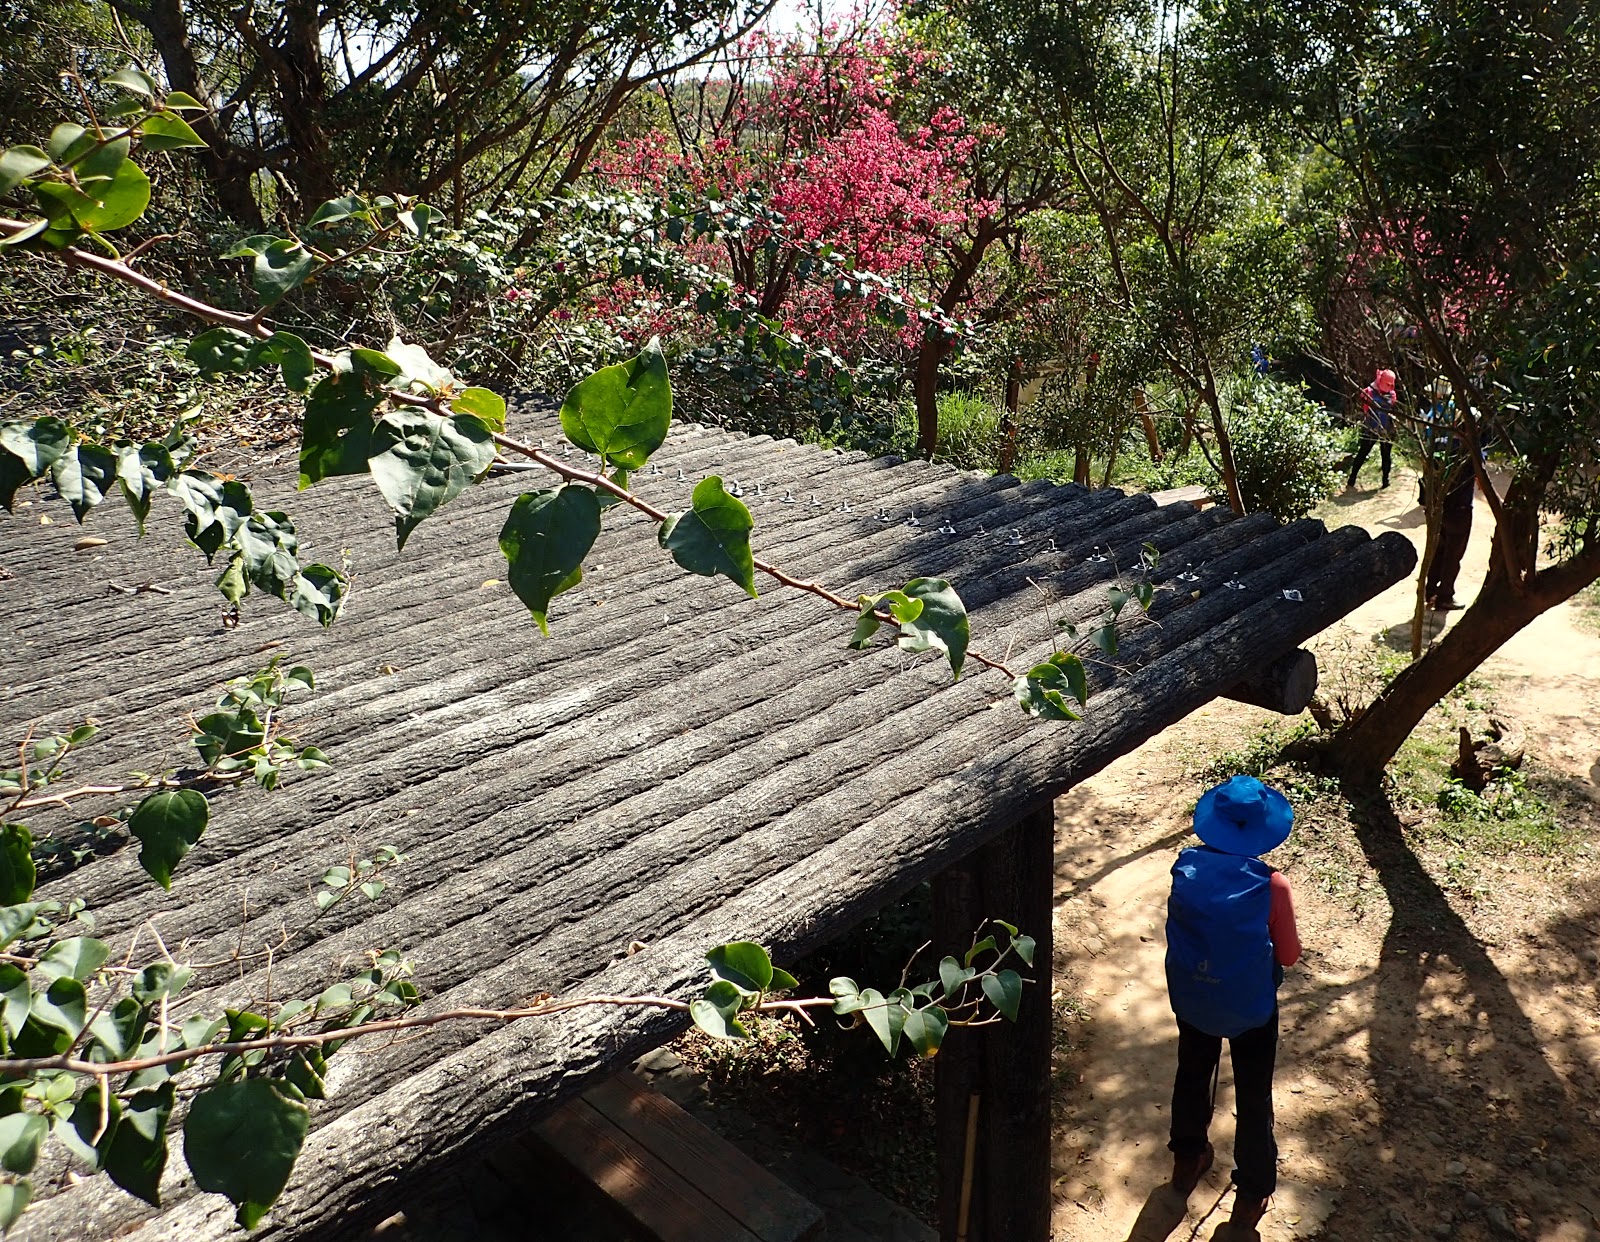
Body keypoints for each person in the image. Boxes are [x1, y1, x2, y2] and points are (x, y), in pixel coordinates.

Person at [1165, 775, 1301, 1233]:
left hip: (1194, 996)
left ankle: (1187, 1159)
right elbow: (1288, 956)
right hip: (1250, 1007)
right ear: (1263, 829)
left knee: (1192, 1073)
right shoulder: (1272, 885)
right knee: (1253, 1093)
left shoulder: (1185, 869)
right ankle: (1251, 1192)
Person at [1346, 368, 1397, 489]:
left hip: (1386, 429)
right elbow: (1365, 408)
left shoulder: (1391, 394)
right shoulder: (1368, 392)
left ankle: (1385, 480)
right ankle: (1352, 478)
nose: (1389, 386)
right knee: (1363, 452)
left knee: (1385, 455)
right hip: (1373, 428)